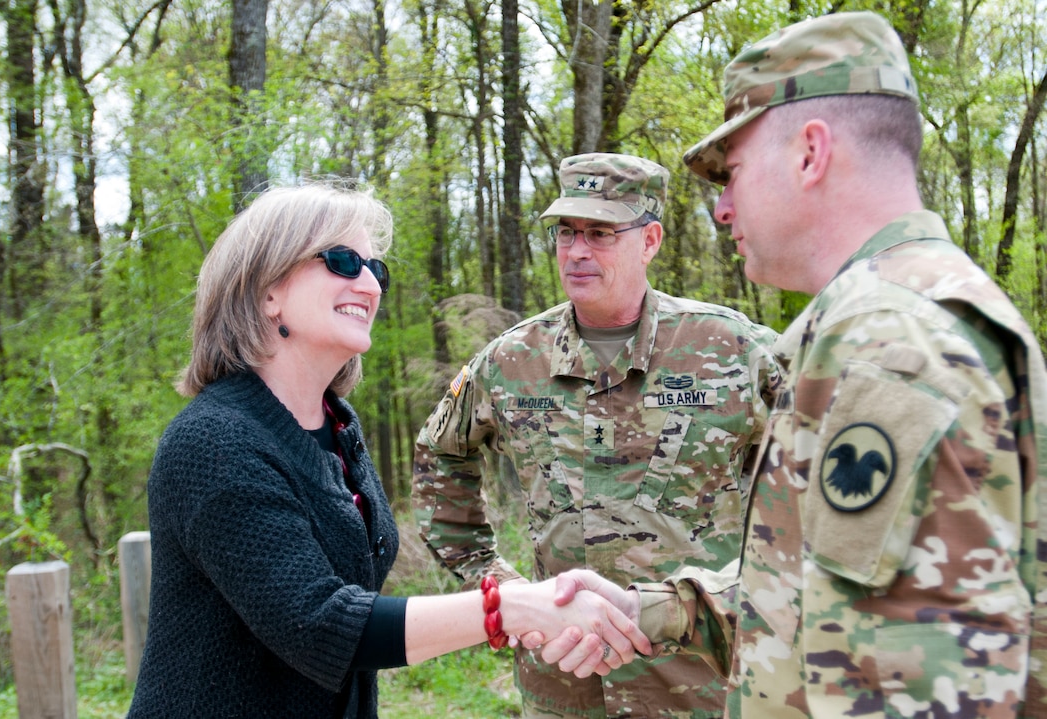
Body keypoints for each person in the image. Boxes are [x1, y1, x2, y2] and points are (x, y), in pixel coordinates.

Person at [545, 11, 1047, 717]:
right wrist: (652, 608)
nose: (721, 208)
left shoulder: (888, 341)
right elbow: (822, 602)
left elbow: (925, 685)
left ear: (810, 153)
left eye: (733, 171)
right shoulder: (884, 316)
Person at [125, 182, 650, 719]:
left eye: (377, 270)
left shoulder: (337, 424)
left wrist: (541, 609)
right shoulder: (213, 441)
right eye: (343, 261)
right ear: (267, 289)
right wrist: (508, 607)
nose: (370, 284)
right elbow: (320, 624)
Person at [413, 153, 782, 718]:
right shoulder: (512, 360)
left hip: (699, 682)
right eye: (567, 232)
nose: (578, 251)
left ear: (650, 239)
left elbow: (819, 466)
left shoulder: (733, 351)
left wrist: (761, 584)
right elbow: (440, 457)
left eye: (602, 233)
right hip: (565, 682)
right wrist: (497, 584)